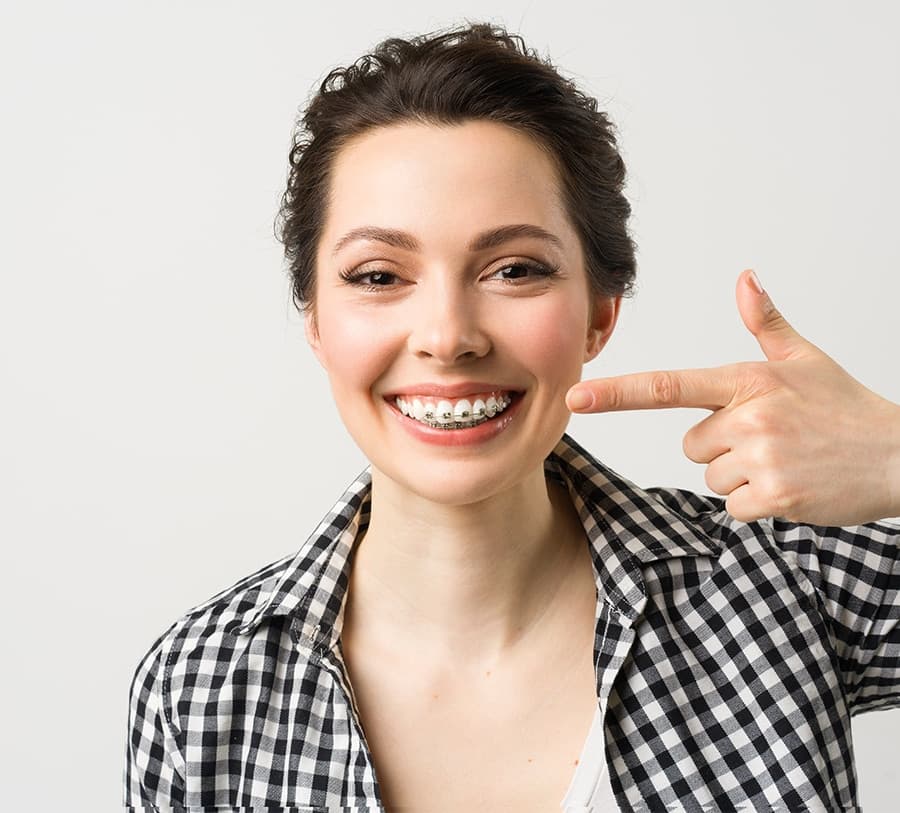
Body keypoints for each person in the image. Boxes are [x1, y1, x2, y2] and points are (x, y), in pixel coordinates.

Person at [124, 21, 900, 812]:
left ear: (599, 313)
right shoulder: (202, 693)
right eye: (379, 274)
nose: (448, 336)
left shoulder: (787, 585)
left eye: (515, 269)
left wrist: (893, 458)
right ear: (318, 323)